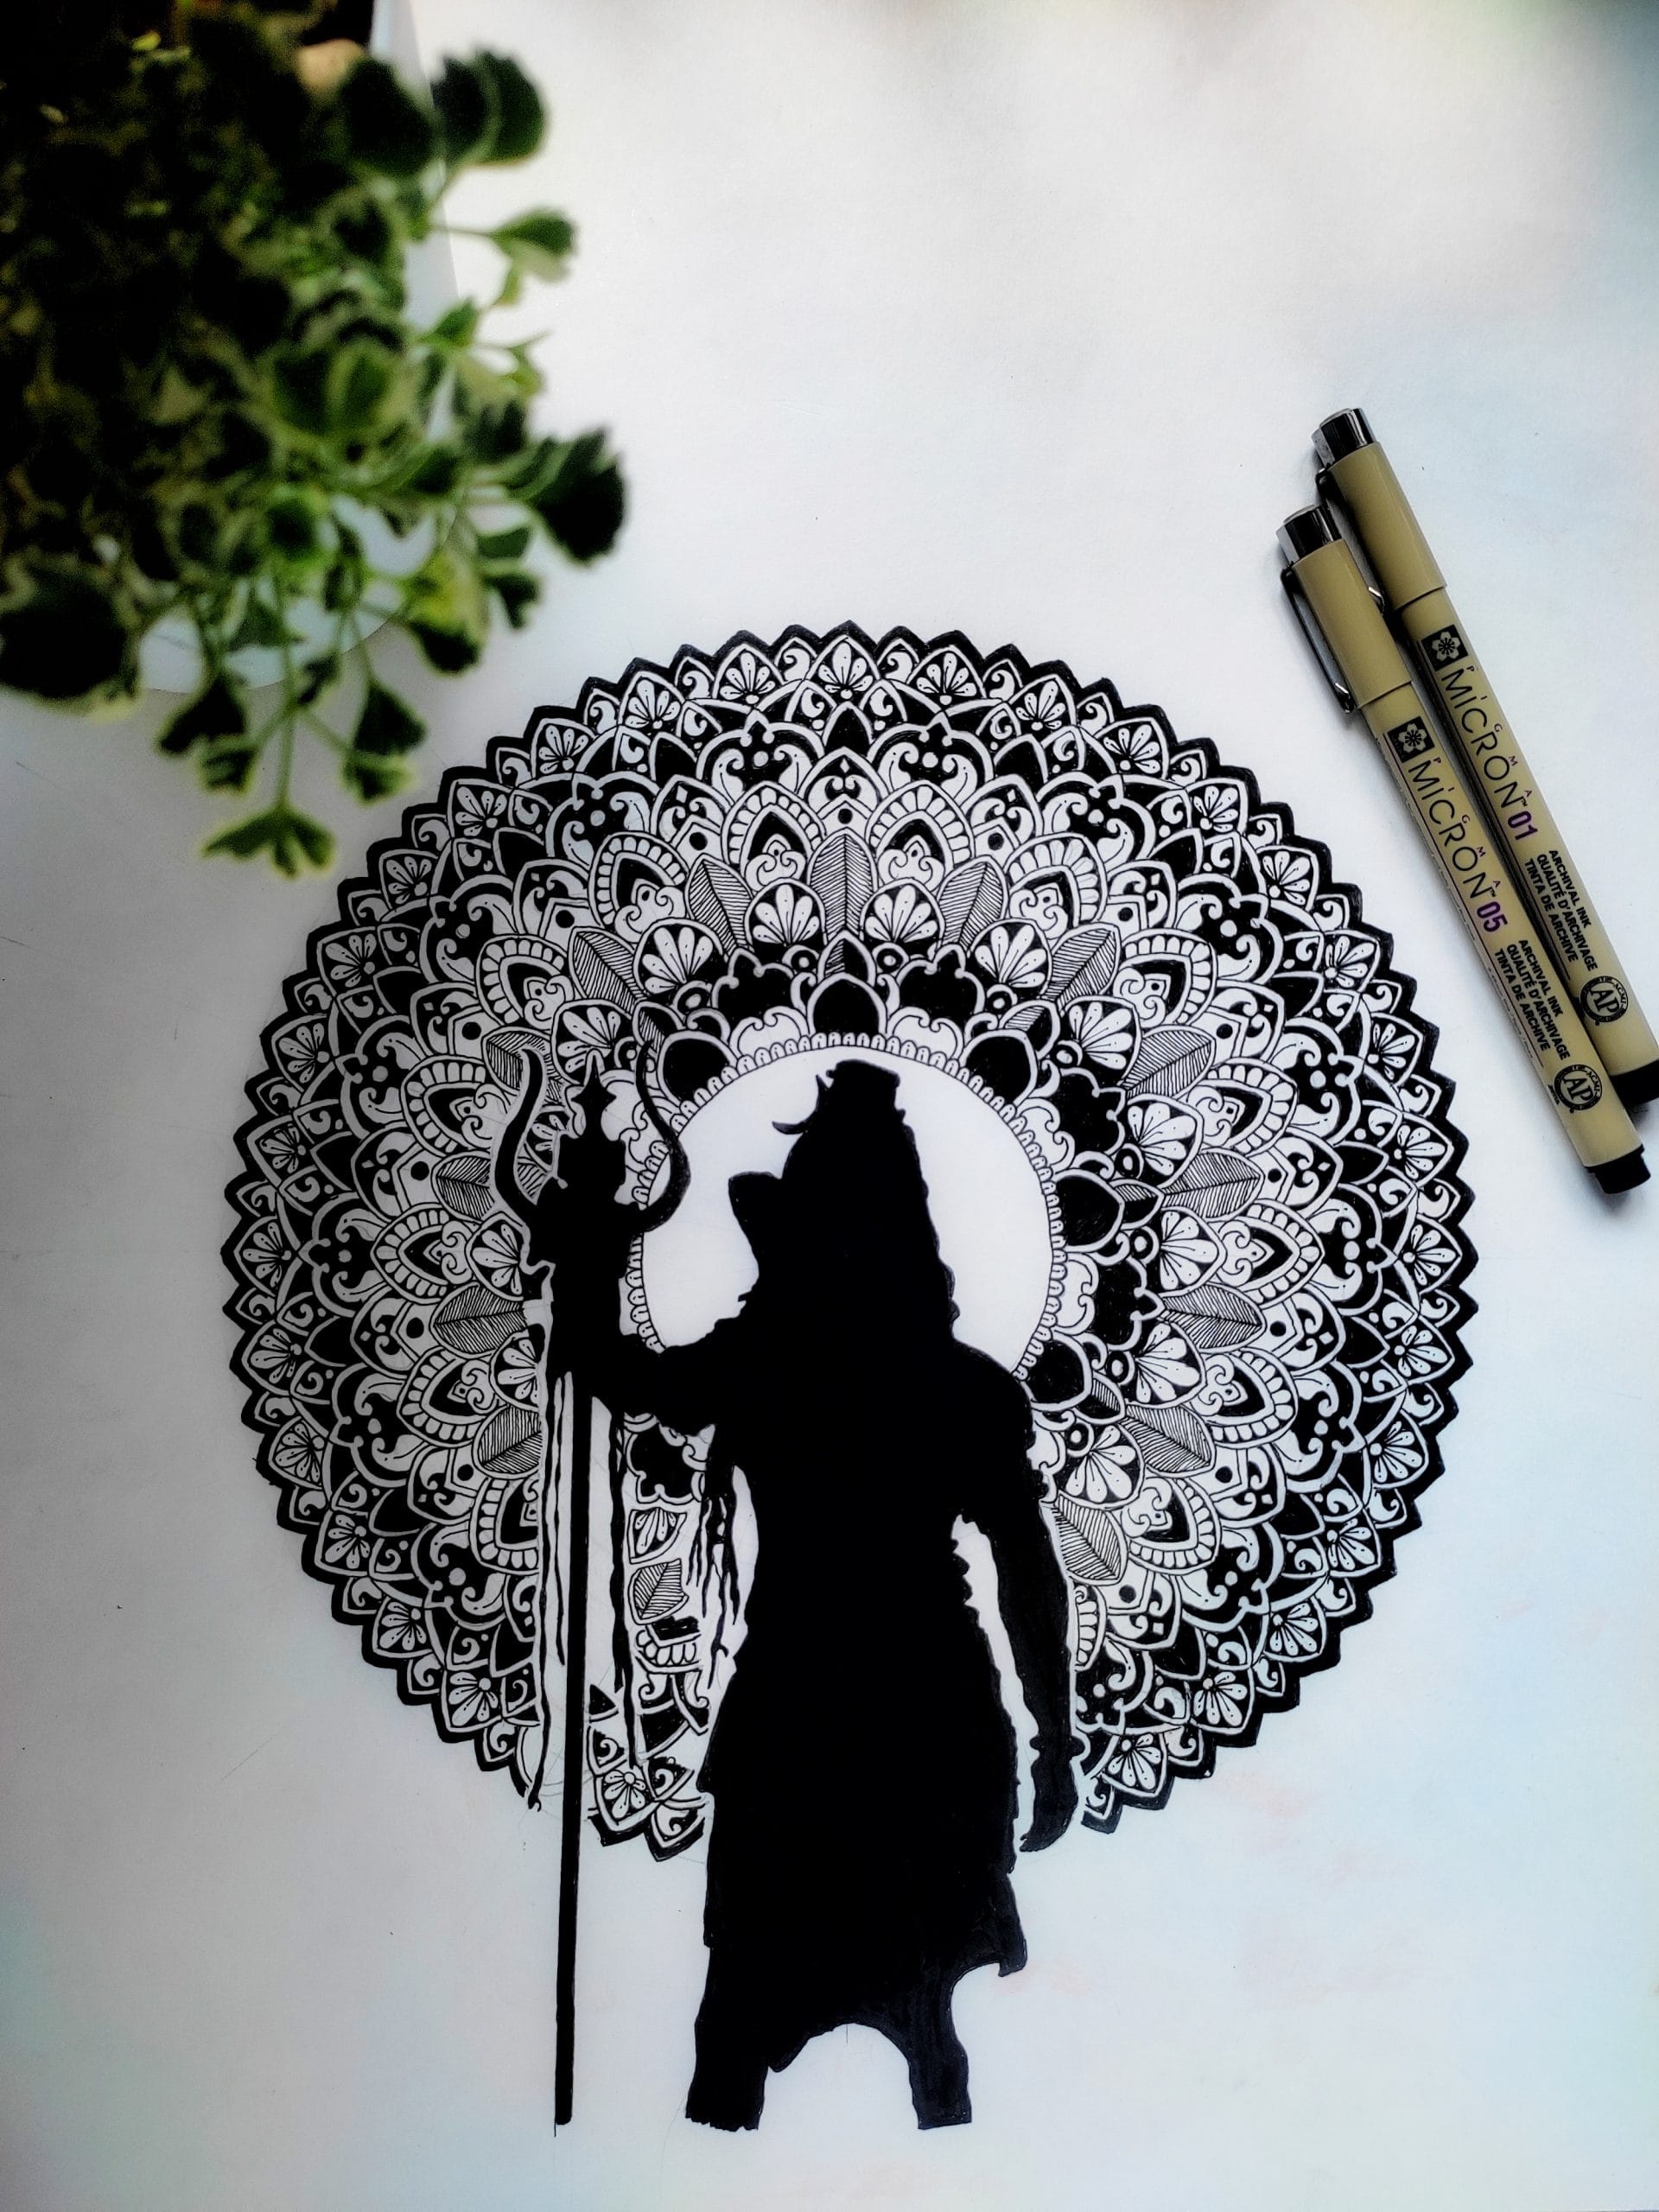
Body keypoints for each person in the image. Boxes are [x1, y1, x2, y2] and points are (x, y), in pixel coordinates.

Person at [556, 1057, 1077, 2130]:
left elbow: (617, 1368)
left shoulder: (766, 1359)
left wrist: (590, 1247)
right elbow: (1027, 1573)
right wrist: (1056, 1738)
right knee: (918, 2006)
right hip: (925, 1704)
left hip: (800, 1703)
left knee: (753, 1999)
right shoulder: (958, 1384)